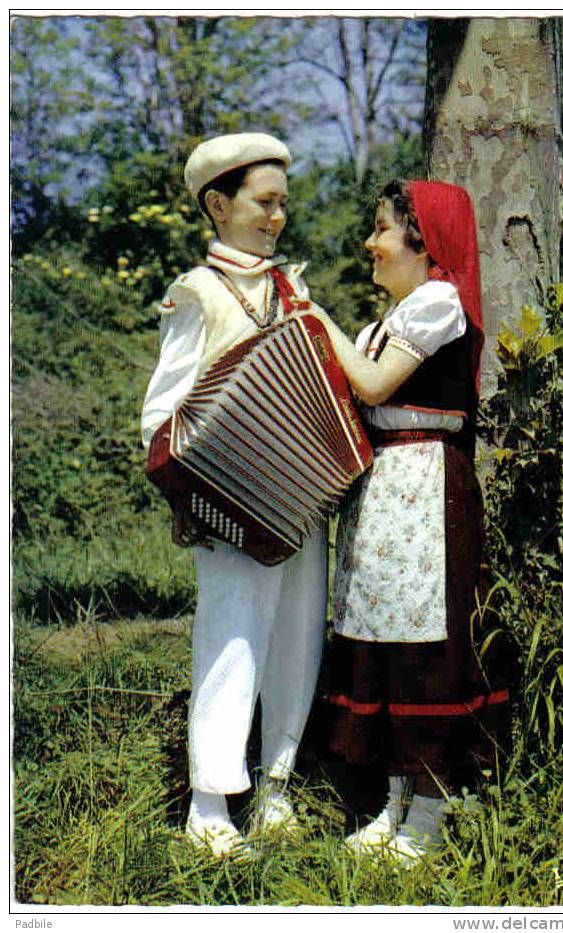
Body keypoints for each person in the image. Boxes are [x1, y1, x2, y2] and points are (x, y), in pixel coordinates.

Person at [305, 180, 510, 865]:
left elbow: (371, 385)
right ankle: (394, 797)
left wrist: (311, 314)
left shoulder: (438, 304)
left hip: (427, 488)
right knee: (382, 638)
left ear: (422, 244)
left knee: (426, 643)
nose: (371, 242)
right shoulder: (384, 322)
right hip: (384, 489)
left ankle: (434, 801)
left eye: (383, 229)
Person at [141, 133, 327, 856]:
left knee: (296, 631)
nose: (278, 216)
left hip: (303, 490)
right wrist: (185, 497)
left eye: (283, 203)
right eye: (263, 201)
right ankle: (210, 805)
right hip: (227, 500)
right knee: (232, 635)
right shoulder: (198, 290)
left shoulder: (293, 288)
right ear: (219, 204)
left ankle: (276, 785)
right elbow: (163, 411)